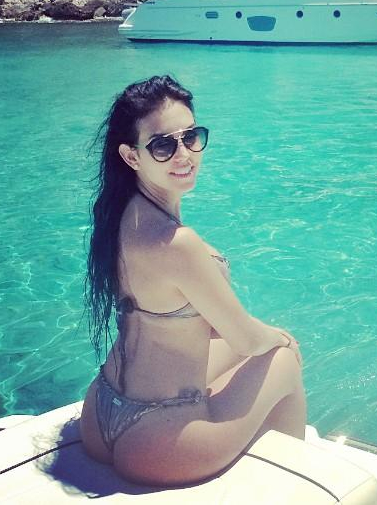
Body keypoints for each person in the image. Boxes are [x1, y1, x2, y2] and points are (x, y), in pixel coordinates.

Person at [79, 75, 306, 486]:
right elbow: (247, 341)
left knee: (243, 347)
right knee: (282, 357)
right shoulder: (177, 243)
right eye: (163, 145)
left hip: (99, 412)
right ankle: (295, 487)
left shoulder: (119, 215)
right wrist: (281, 338)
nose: (184, 154)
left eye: (191, 137)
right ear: (131, 157)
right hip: (157, 441)